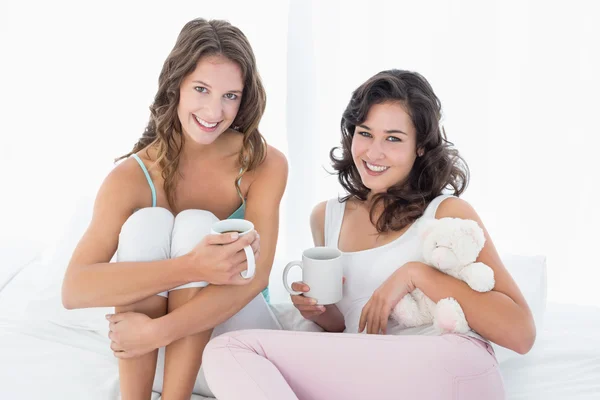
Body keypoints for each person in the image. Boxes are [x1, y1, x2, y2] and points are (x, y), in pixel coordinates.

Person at [201, 69, 535, 399]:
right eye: (365, 133)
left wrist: (414, 275)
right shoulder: (326, 217)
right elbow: (350, 331)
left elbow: (521, 333)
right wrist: (321, 314)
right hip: (378, 379)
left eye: (393, 138)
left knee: (229, 350)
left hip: (450, 365)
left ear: (420, 147)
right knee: (229, 354)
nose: (373, 153)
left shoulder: (446, 213)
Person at [61, 18, 288, 400]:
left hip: (233, 349)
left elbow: (258, 276)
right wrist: (192, 267)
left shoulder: (264, 163)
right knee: (145, 225)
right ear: (176, 84)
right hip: (155, 362)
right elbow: (74, 289)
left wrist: (157, 332)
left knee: (198, 224)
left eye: (230, 96)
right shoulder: (131, 178)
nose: (214, 111)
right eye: (202, 89)